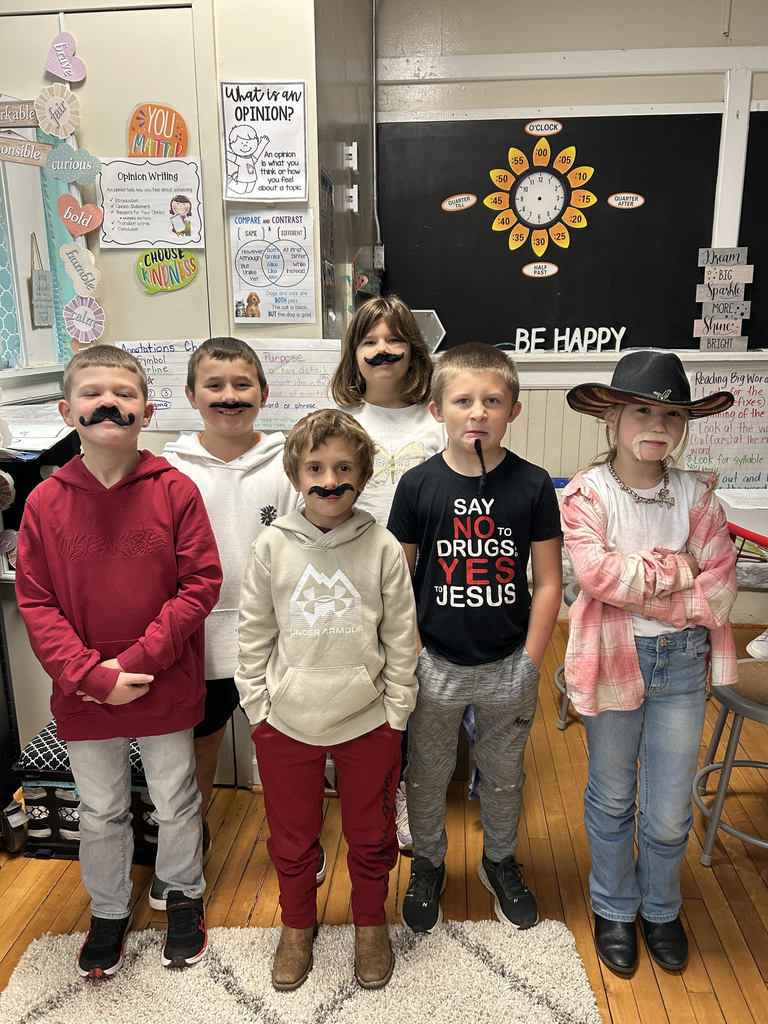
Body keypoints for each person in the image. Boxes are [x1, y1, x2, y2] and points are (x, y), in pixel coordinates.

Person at [15, 346, 222, 978]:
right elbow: (36, 602)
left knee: (175, 796)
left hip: (165, 682)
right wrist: (90, 676)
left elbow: (201, 584)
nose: (110, 403)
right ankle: (108, 908)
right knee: (100, 806)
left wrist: (135, 662)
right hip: (84, 694)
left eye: (125, 394)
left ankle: (182, 892)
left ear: (148, 410)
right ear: (66, 411)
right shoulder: (45, 503)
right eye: (93, 393)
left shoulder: (176, 490)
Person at [561, 349, 738, 976]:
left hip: (683, 663)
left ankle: (660, 907)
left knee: (667, 810)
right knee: (612, 797)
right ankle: (614, 905)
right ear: (612, 417)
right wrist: (676, 571)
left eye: (670, 413)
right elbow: (597, 574)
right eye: (641, 409)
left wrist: (653, 590)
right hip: (612, 657)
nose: (655, 424)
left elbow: (721, 584)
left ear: (685, 423)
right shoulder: (589, 493)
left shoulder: (696, 493)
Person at [235, 409, 418, 991]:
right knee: (291, 836)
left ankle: (370, 925)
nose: (329, 479)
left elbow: (400, 636)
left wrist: (396, 714)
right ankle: (297, 926)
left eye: (343, 467)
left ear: (363, 477)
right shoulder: (271, 546)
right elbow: (254, 632)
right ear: (295, 474)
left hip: (369, 721)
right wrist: (258, 708)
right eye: (315, 467)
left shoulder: (383, 546)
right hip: (286, 721)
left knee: (372, 834)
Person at [387, 342, 563, 933]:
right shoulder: (417, 486)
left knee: (505, 775)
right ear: (439, 409)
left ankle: (500, 861)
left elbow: (548, 582)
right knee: (429, 774)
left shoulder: (533, 484)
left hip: (509, 663)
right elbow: (398, 581)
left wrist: (531, 661)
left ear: (513, 409)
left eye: (492, 400)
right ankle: (430, 864)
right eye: (463, 400)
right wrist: (412, 654)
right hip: (434, 663)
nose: (478, 413)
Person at [159, 337, 302, 910]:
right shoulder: (167, 468)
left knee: (284, 753)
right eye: (214, 386)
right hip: (197, 642)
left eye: (242, 384)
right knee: (197, 752)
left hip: (275, 639)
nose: (229, 396)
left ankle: (295, 849)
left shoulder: (288, 463)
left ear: (264, 394)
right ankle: (187, 848)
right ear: (191, 396)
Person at [330, 294, 444, 851]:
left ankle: (407, 795)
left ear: (414, 351)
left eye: (393, 340)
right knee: (366, 680)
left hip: (427, 577)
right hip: (354, 573)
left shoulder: (439, 419)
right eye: (368, 341)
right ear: (353, 354)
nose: (381, 351)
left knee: (414, 685)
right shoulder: (341, 423)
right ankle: (364, 787)